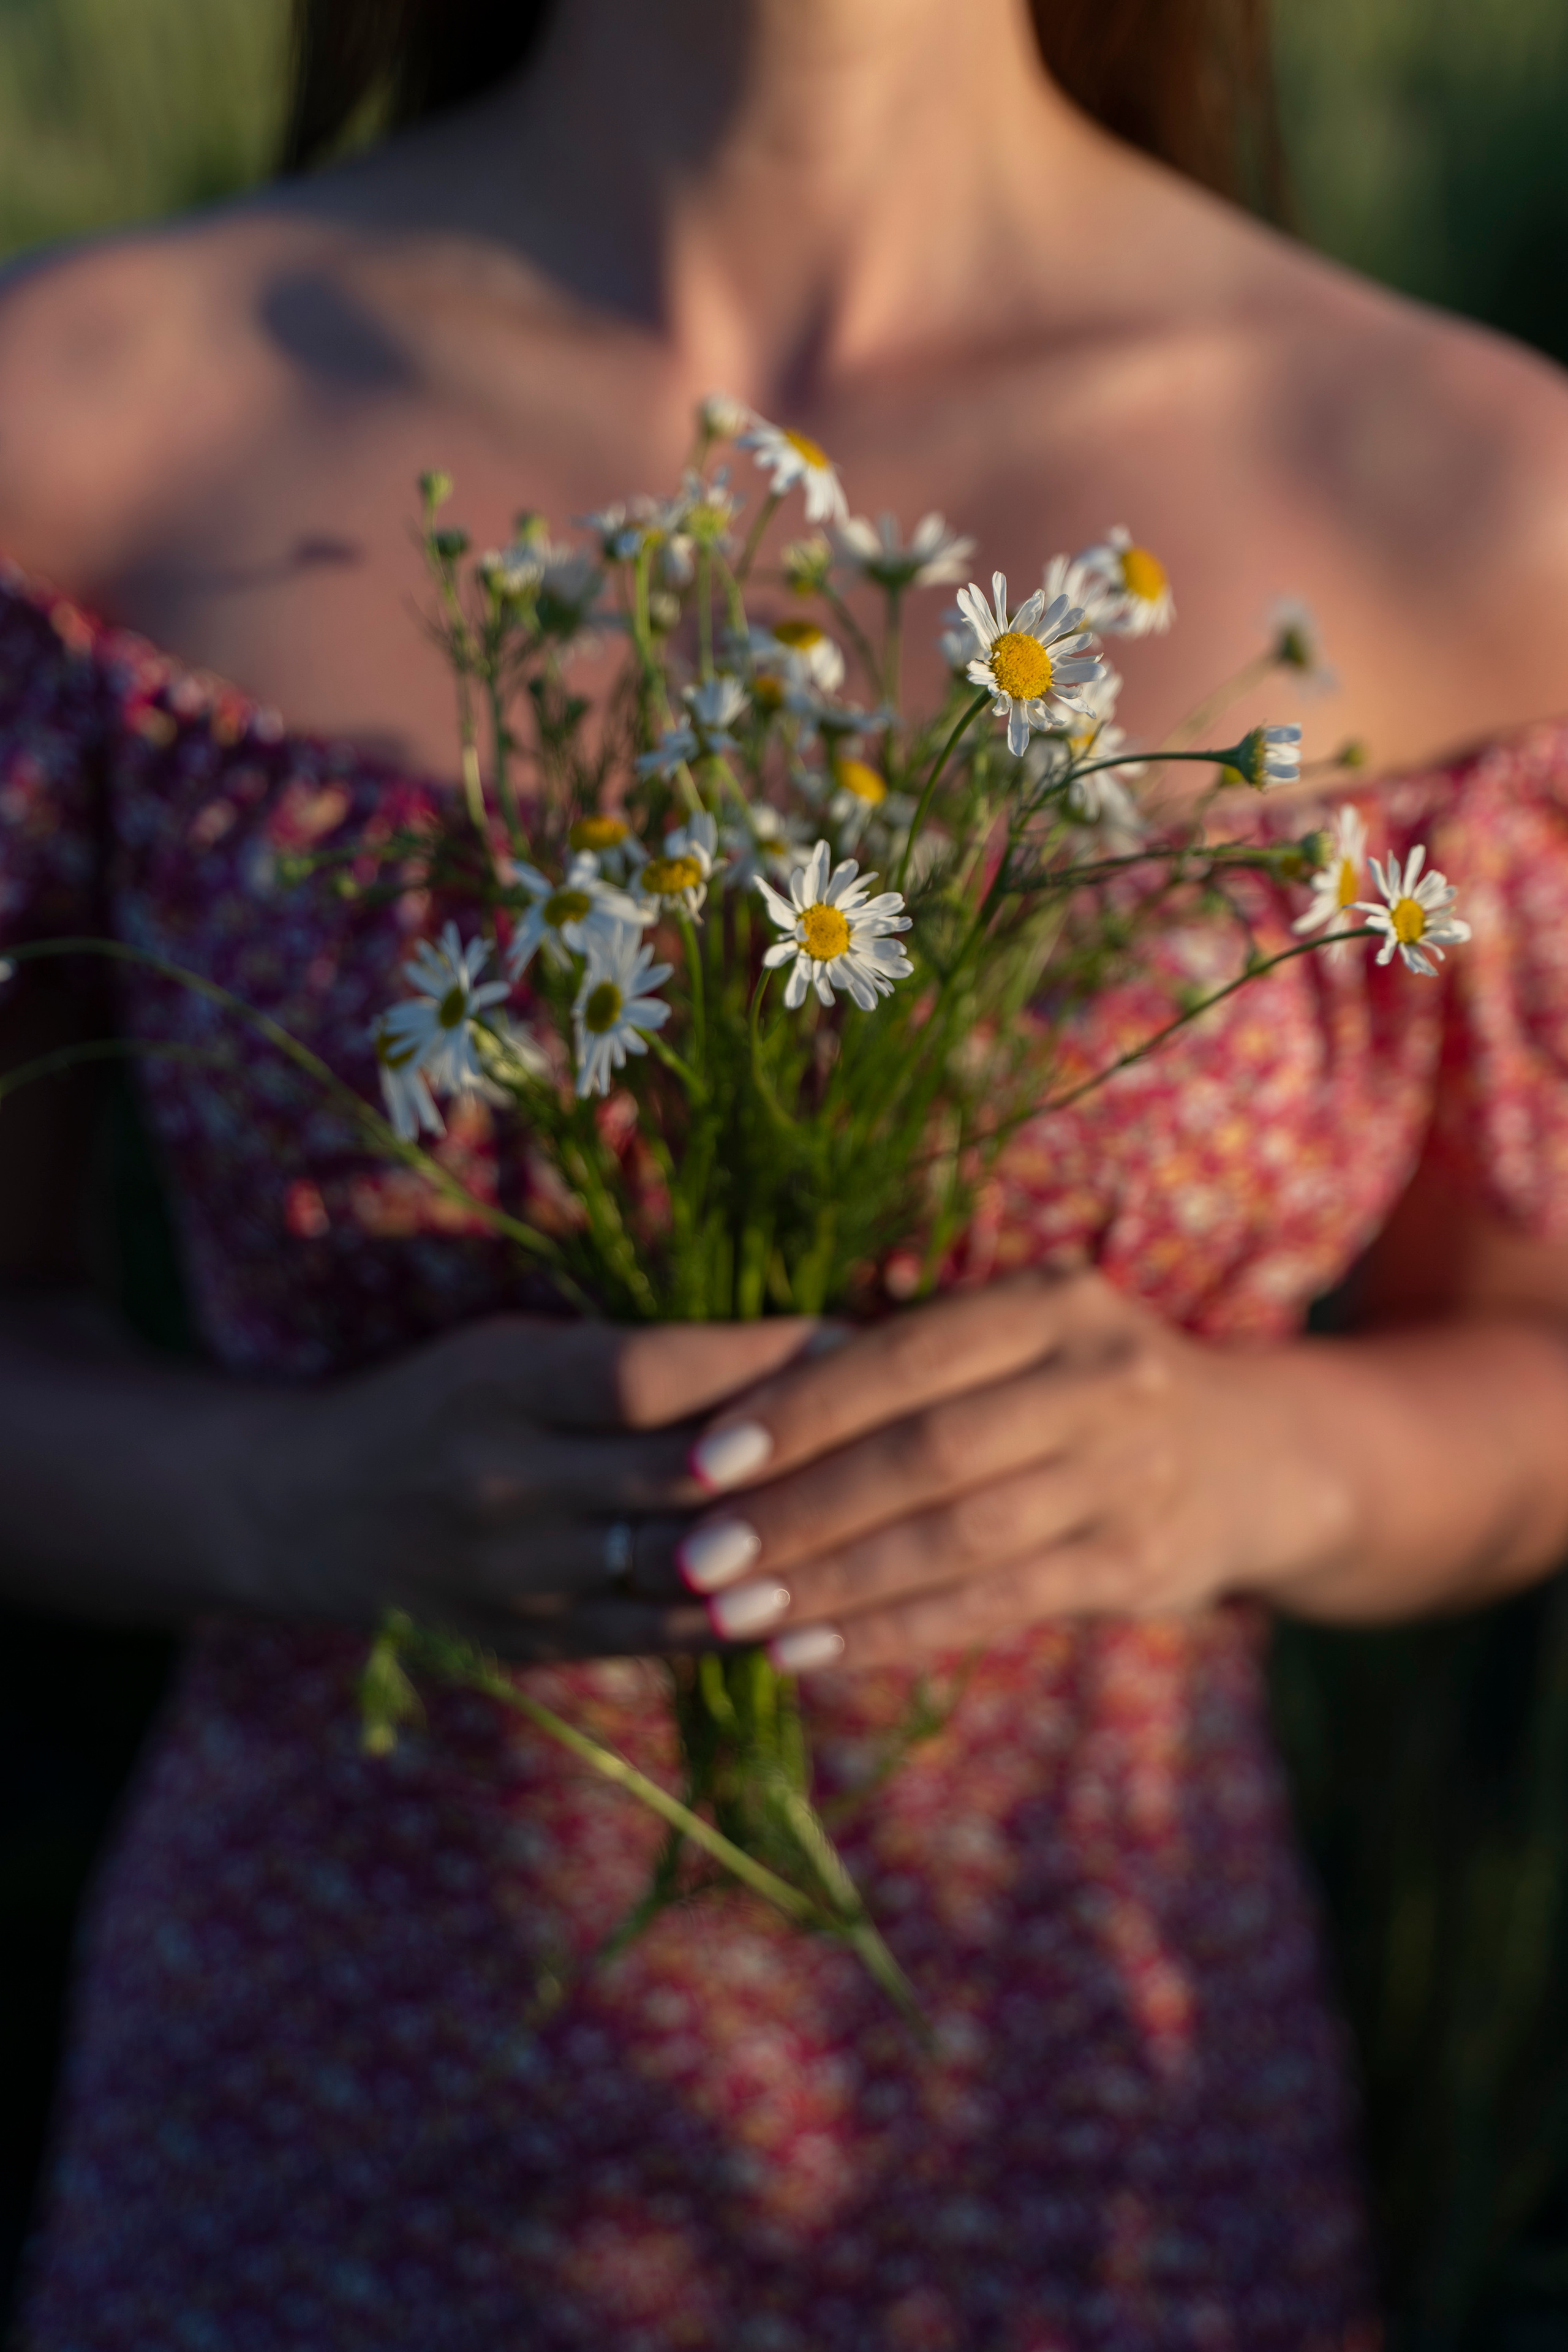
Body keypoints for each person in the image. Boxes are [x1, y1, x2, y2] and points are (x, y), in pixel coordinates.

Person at [4, 0, 1568, 2342]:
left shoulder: (1472, 490)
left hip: (1091, 2156)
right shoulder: (95, 419)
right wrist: (301, 1500)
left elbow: (1534, 1370)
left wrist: (1237, 1459)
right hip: (320, 2148)